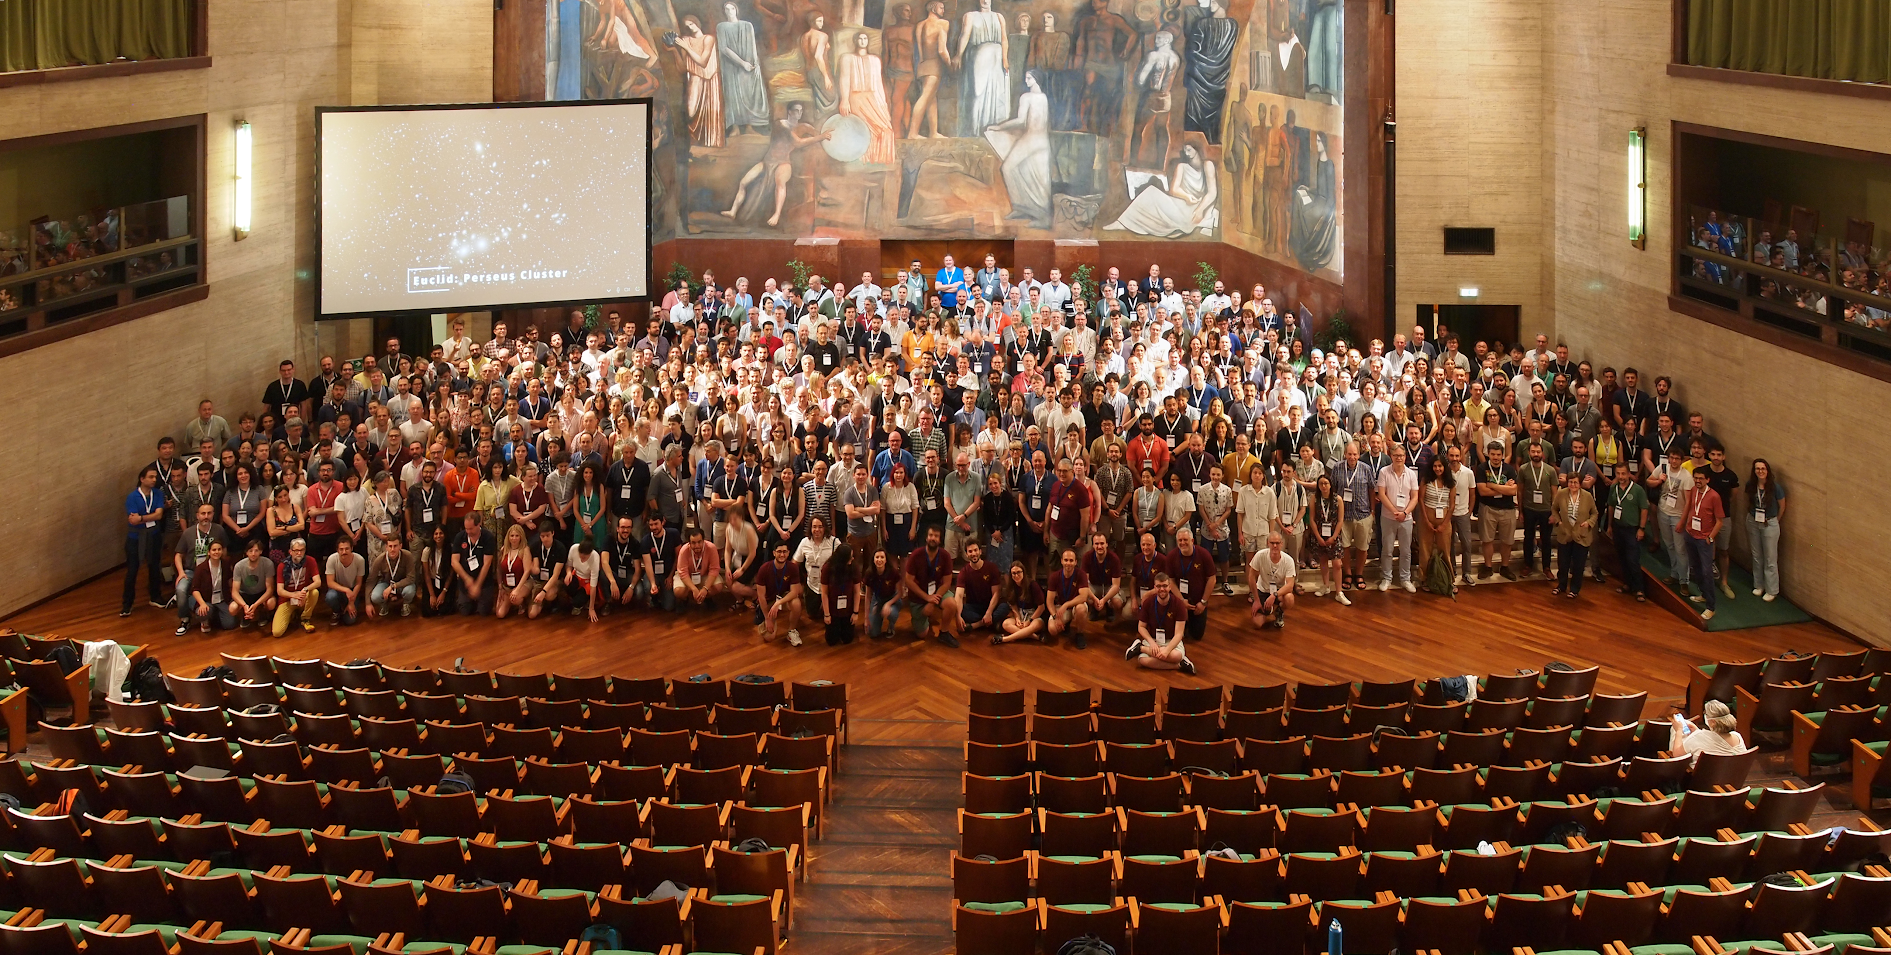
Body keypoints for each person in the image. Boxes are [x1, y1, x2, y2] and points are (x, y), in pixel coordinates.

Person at [122, 465, 169, 617]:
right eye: (150, 477)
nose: (154, 480)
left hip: (153, 535)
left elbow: (159, 515)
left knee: (154, 566)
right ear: (142, 479)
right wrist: (149, 517)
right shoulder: (132, 497)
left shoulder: (157, 494)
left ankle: (155, 597)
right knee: (133, 570)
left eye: (155, 477)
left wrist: (142, 518)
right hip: (136, 537)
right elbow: (133, 520)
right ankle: (127, 604)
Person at [901, 524, 958, 646]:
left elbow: (947, 582)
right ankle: (920, 618)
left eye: (936, 536)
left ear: (940, 539)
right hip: (918, 595)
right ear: (926, 538)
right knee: (922, 635)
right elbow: (908, 581)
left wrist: (932, 601)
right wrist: (926, 598)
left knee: (951, 604)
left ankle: (944, 632)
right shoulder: (916, 555)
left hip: (937, 592)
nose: (933, 538)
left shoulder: (945, 556)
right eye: (931, 535)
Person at [1125, 572, 1194, 674]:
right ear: (1154, 587)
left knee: (1176, 656)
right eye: (1158, 586)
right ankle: (1179, 665)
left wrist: (1167, 650)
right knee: (1142, 661)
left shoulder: (1178, 604)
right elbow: (1141, 627)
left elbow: (1179, 634)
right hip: (1153, 639)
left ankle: (1141, 649)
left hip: (1171, 640)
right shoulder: (1148, 602)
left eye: (1165, 586)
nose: (1162, 589)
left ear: (1170, 587)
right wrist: (1152, 643)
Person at [1680, 465, 1723, 620]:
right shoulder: (1693, 491)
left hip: (1704, 539)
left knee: (1707, 572)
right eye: (1695, 478)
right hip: (1691, 534)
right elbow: (1691, 509)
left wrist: (1711, 537)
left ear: (1707, 480)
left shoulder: (1714, 496)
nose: (1697, 481)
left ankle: (1711, 607)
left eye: (1701, 479)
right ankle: (1703, 594)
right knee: (1696, 568)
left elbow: (1719, 521)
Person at [1375, 444, 1416, 592]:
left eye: (1401, 456)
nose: (1399, 458)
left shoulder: (1411, 474)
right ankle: (1387, 578)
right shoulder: (1384, 472)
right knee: (1387, 549)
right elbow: (1381, 494)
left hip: (1406, 518)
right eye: (1396, 455)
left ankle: (1405, 578)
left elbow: (1415, 496)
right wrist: (1394, 512)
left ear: (1405, 457)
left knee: (1406, 551)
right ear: (1391, 456)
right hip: (1388, 517)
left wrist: (1405, 513)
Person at [1548, 472, 1596, 599]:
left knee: (1578, 565)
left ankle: (1575, 589)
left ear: (1580, 484)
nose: (1573, 484)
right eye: (1570, 482)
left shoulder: (1587, 496)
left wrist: (1589, 523)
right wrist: (1558, 521)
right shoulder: (1561, 493)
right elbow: (1554, 509)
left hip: (1581, 535)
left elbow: (1594, 513)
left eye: (1575, 482)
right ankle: (1561, 585)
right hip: (1565, 534)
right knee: (1563, 563)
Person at [1606, 464, 1650, 602]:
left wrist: (1641, 528)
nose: (1621, 477)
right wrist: (1610, 525)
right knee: (1622, 558)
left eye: (1623, 474)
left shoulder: (1637, 490)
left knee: (1632, 560)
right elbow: (1611, 506)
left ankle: (1639, 589)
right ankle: (1628, 584)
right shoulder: (1614, 488)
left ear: (1629, 474)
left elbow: (1644, 509)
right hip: (1618, 527)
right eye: (1618, 474)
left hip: (1632, 529)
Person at [1745, 458, 1785, 602]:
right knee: (1756, 556)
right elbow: (1748, 501)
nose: (1760, 471)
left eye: (1763, 468)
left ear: (1767, 471)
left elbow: (1782, 506)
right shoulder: (1750, 485)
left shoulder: (1775, 488)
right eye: (1757, 469)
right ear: (1754, 471)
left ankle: (1772, 590)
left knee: (1770, 558)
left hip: (1770, 523)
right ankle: (1759, 584)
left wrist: (1775, 520)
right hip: (1753, 522)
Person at [756, 541, 805, 643]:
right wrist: (767, 618)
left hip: (782, 598)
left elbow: (794, 592)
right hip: (769, 600)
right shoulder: (764, 569)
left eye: (784, 551)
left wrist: (779, 602)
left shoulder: (793, 567)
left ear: (788, 553)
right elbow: (761, 596)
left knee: (796, 603)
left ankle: (791, 630)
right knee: (769, 637)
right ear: (774, 553)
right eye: (779, 552)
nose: (782, 554)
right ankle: (765, 619)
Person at [1668, 700, 1746, 763]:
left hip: (1701, 780)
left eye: (1706, 714)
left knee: (1677, 733)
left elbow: (1677, 755)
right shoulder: (1738, 737)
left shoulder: (1698, 738)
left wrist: (1679, 730)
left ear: (1713, 722)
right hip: (1731, 778)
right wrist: (1696, 731)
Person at [272, 538, 321, 636]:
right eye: (296, 551)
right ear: (290, 552)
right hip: (287, 599)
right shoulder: (282, 566)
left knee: (314, 592)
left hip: (303, 596)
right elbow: (280, 591)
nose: (299, 553)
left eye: (302, 550)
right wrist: (294, 595)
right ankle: (293, 614)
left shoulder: (310, 561)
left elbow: (318, 582)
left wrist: (304, 590)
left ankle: (305, 618)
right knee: (277, 632)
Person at [451, 513, 497, 616]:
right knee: (464, 610)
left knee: (484, 612)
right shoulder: (460, 537)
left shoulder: (488, 537)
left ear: (479, 524)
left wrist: (477, 585)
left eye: (471, 529)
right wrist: (467, 579)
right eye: (466, 528)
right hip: (466, 582)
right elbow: (454, 562)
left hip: (484, 582)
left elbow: (487, 564)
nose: (468, 531)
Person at [1247, 531, 1296, 628]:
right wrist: (1256, 600)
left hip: (1279, 593)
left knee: (1289, 598)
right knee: (1257, 624)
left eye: (1277, 543)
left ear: (1282, 544)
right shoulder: (1260, 555)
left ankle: (1279, 611)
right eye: (1272, 543)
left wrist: (1274, 595)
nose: (1275, 546)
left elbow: (1290, 586)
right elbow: (1251, 576)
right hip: (1263, 590)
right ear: (1267, 543)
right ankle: (1267, 610)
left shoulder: (1288, 560)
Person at [187, 539, 237, 633]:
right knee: (204, 612)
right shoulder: (201, 568)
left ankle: (215, 616)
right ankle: (205, 620)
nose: (217, 552)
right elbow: (195, 589)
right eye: (214, 550)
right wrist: (202, 603)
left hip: (221, 599)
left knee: (230, 624)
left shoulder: (225, 565)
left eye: (219, 549)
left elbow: (230, 581)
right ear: (209, 552)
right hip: (206, 600)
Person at [1044, 548, 1090, 647]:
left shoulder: (1081, 574)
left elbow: (1083, 597)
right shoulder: (1054, 576)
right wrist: (1055, 617)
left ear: (1075, 562)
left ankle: (1080, 634)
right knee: (1052, 629)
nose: (1068, 563)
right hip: (1061, 608)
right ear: (1061, 561)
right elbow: (1049, 601)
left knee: (1081, 609)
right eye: (1066, 560)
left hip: (1075, 606)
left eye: (1071, 560)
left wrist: (1067, 604)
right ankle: (1066, 623)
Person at [993, 560, 1046, 644]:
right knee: (1005, 624)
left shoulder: (1033, 584)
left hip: (1035, 615)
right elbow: (1013, 604)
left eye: (1018, 572)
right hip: (1020, 612)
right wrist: (1017, 617)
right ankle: (1035, 637)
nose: (1016, 575)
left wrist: (1030, 620)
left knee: (1034, 626)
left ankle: (1005, 639)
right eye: (1013, 573)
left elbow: (1041, 607)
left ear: (1023, 572)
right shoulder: (1011, 585)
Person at [677, 523, 727, 607]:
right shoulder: (684, 550)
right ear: (689, 543)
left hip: (705, 575)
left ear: (704, 540)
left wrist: (705, 588)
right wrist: (693, 589)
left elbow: (714, 570)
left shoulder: (711, 548)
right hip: (688, 576)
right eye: (693, 543)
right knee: (678, 591)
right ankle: (685, 600)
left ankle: (707, 597)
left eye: (699, 542)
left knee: (718, 586)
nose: (697, 545)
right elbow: (683, 573)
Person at [230, 538, 277, 628]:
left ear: (261, 552)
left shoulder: (268, 564)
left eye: (256, 551)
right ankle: (245, 615)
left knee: (271, 603)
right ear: (246, 552)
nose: (253, 554)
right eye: (250, 551)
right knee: (232, 608)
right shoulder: (239, 566)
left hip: (261, 593)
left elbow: (270, 589)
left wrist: (256, 605)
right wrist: (244, 606)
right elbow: (234, 592)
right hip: (245, 594)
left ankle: (263, 614)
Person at [368, 534, 417, 619]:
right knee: (375, 596)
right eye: (390, 546)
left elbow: (411, 578)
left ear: (400, 546)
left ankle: (406, 604)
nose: (392, 549)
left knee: (409, 591)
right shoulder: (379, 559)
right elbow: (371, 580)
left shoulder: (408, 556)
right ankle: (384, 604)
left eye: (395, 546)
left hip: (402, 583)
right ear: (386, 547)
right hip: (386, 582)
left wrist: (393, 587)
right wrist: (367, 603)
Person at [819, 542, 859, 645]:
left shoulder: (853, 567)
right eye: (850, 557)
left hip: (848, 609)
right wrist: (827, 614)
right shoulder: (828, 568)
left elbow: (856, 591)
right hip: (832, 610)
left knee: (847, 639)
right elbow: (824, 593)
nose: (853, 559)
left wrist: (855, 612)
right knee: (831, 641)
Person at [324, 536, 369, 625]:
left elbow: (359, 583)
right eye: (341, 549)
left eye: (347, 549)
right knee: (330, 597)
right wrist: (345, 590)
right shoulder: (332, 559)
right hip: (337, 590)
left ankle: (347, 607)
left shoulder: (360, 560)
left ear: (352, 548)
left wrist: (351, 602)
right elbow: (330, 582)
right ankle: (336, 611)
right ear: (337, 550)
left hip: (353, 591)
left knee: (349, 621)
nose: (344, 552)